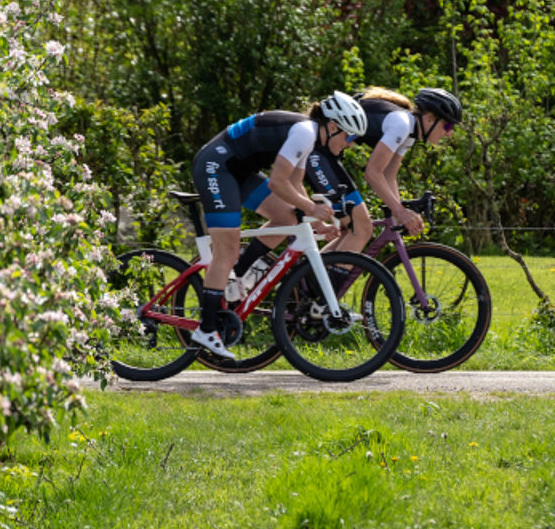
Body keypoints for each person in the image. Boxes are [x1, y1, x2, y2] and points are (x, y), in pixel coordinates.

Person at [189, 92, 368, 358]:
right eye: (349, 137)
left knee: (288, 218)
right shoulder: (305, 133)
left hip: (238, 171)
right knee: (226, 249)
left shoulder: (309, 137)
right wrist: (312, 209)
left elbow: (294, 185)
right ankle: (206, 329)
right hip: (217, 167)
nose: (350, 144)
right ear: (332, 126)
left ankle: (238, 274)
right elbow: (277, 182)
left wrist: (317, 222)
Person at [306, 86, 462, 256]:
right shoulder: (401, 125)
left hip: (326, 155)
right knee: (362, 229)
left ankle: (313, 272)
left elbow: (389, 175)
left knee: (353, 229)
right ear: (430, 119)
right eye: (448, 125)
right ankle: (325, 274)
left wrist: (398, 213)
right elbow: (372, 173)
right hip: (317, 153)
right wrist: (400, 211)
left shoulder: (410, 133)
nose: (449, 133)